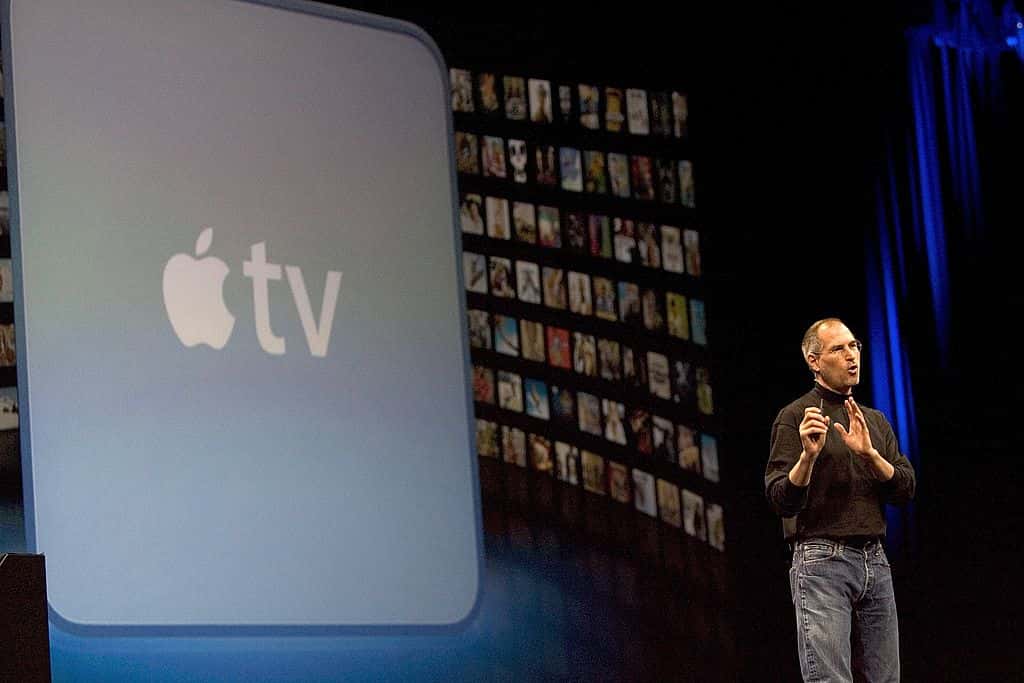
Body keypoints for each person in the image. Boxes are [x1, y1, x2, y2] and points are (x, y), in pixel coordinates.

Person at [765, 317, 916, 682]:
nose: (851, 356)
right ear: (814, 361)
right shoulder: (796, 417)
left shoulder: (873, 421)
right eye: (838, 348)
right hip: (822, 560)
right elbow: (780, 499)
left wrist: (870, 456)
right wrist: (807, 457)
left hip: (874, 559)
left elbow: (905, 488)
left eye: (854, 346)